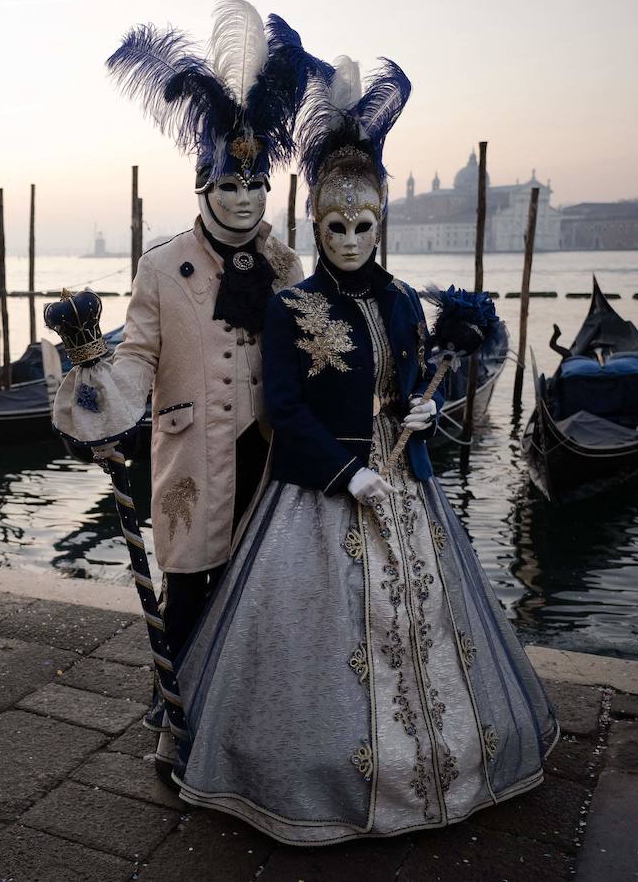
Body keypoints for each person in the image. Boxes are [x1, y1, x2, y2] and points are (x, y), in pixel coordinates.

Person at [173, 55, 558, 845]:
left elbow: (413, 381)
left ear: (382, 224)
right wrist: (349, 477)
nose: (350, 238)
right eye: (335, 226)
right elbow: (282, 409)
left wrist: (423, 406)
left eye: (363, 225)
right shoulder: (294, 306)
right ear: (316, 226)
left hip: (409, 490)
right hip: (318, 502)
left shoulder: (402, 300)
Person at [50, 0, 315, 778]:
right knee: (192, 597)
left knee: (264, 598)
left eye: (254, 186)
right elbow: (138, 355)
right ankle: (179, 732)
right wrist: (100, 383)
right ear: (202, 186)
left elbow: (307, 359)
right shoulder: (163, 266)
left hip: (272, 461)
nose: (242, 198)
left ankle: (250, 735)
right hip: (196, 462)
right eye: (228, 186)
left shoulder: (285, 266)